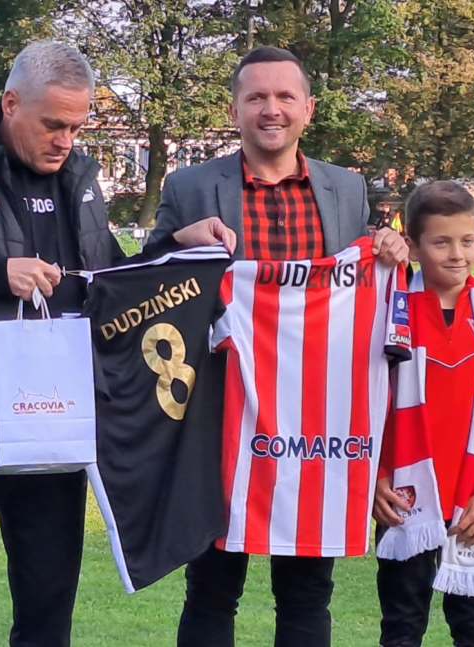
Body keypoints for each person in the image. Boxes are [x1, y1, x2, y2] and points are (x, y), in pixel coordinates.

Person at [0, 41, 234, 647]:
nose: (66, 139)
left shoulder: (82, 180)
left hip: (56, 431)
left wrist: (173, 247)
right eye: (53, 124)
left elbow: (107, 286)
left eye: (77, 126)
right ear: (11, 103)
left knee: (47, 617)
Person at [150, 45, 408, 647]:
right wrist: (180, 243)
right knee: (212, 586)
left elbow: (362, 293)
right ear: (234, 110)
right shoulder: (190, 186)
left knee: (307, 591)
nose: (272, 109)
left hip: (317, 421)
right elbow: (145, 282)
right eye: (257, 97)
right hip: (222, 414)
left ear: (308, 109)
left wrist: (388, 250)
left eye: (285, 96)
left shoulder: (345, 187)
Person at [372, 181, 474, 647]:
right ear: (413, 246)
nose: (457, 254)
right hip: (404, 501)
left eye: (468, 240)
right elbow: (363, 408)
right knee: (402, 625)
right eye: (441, 242)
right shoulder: (387, 314)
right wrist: (375, 478)